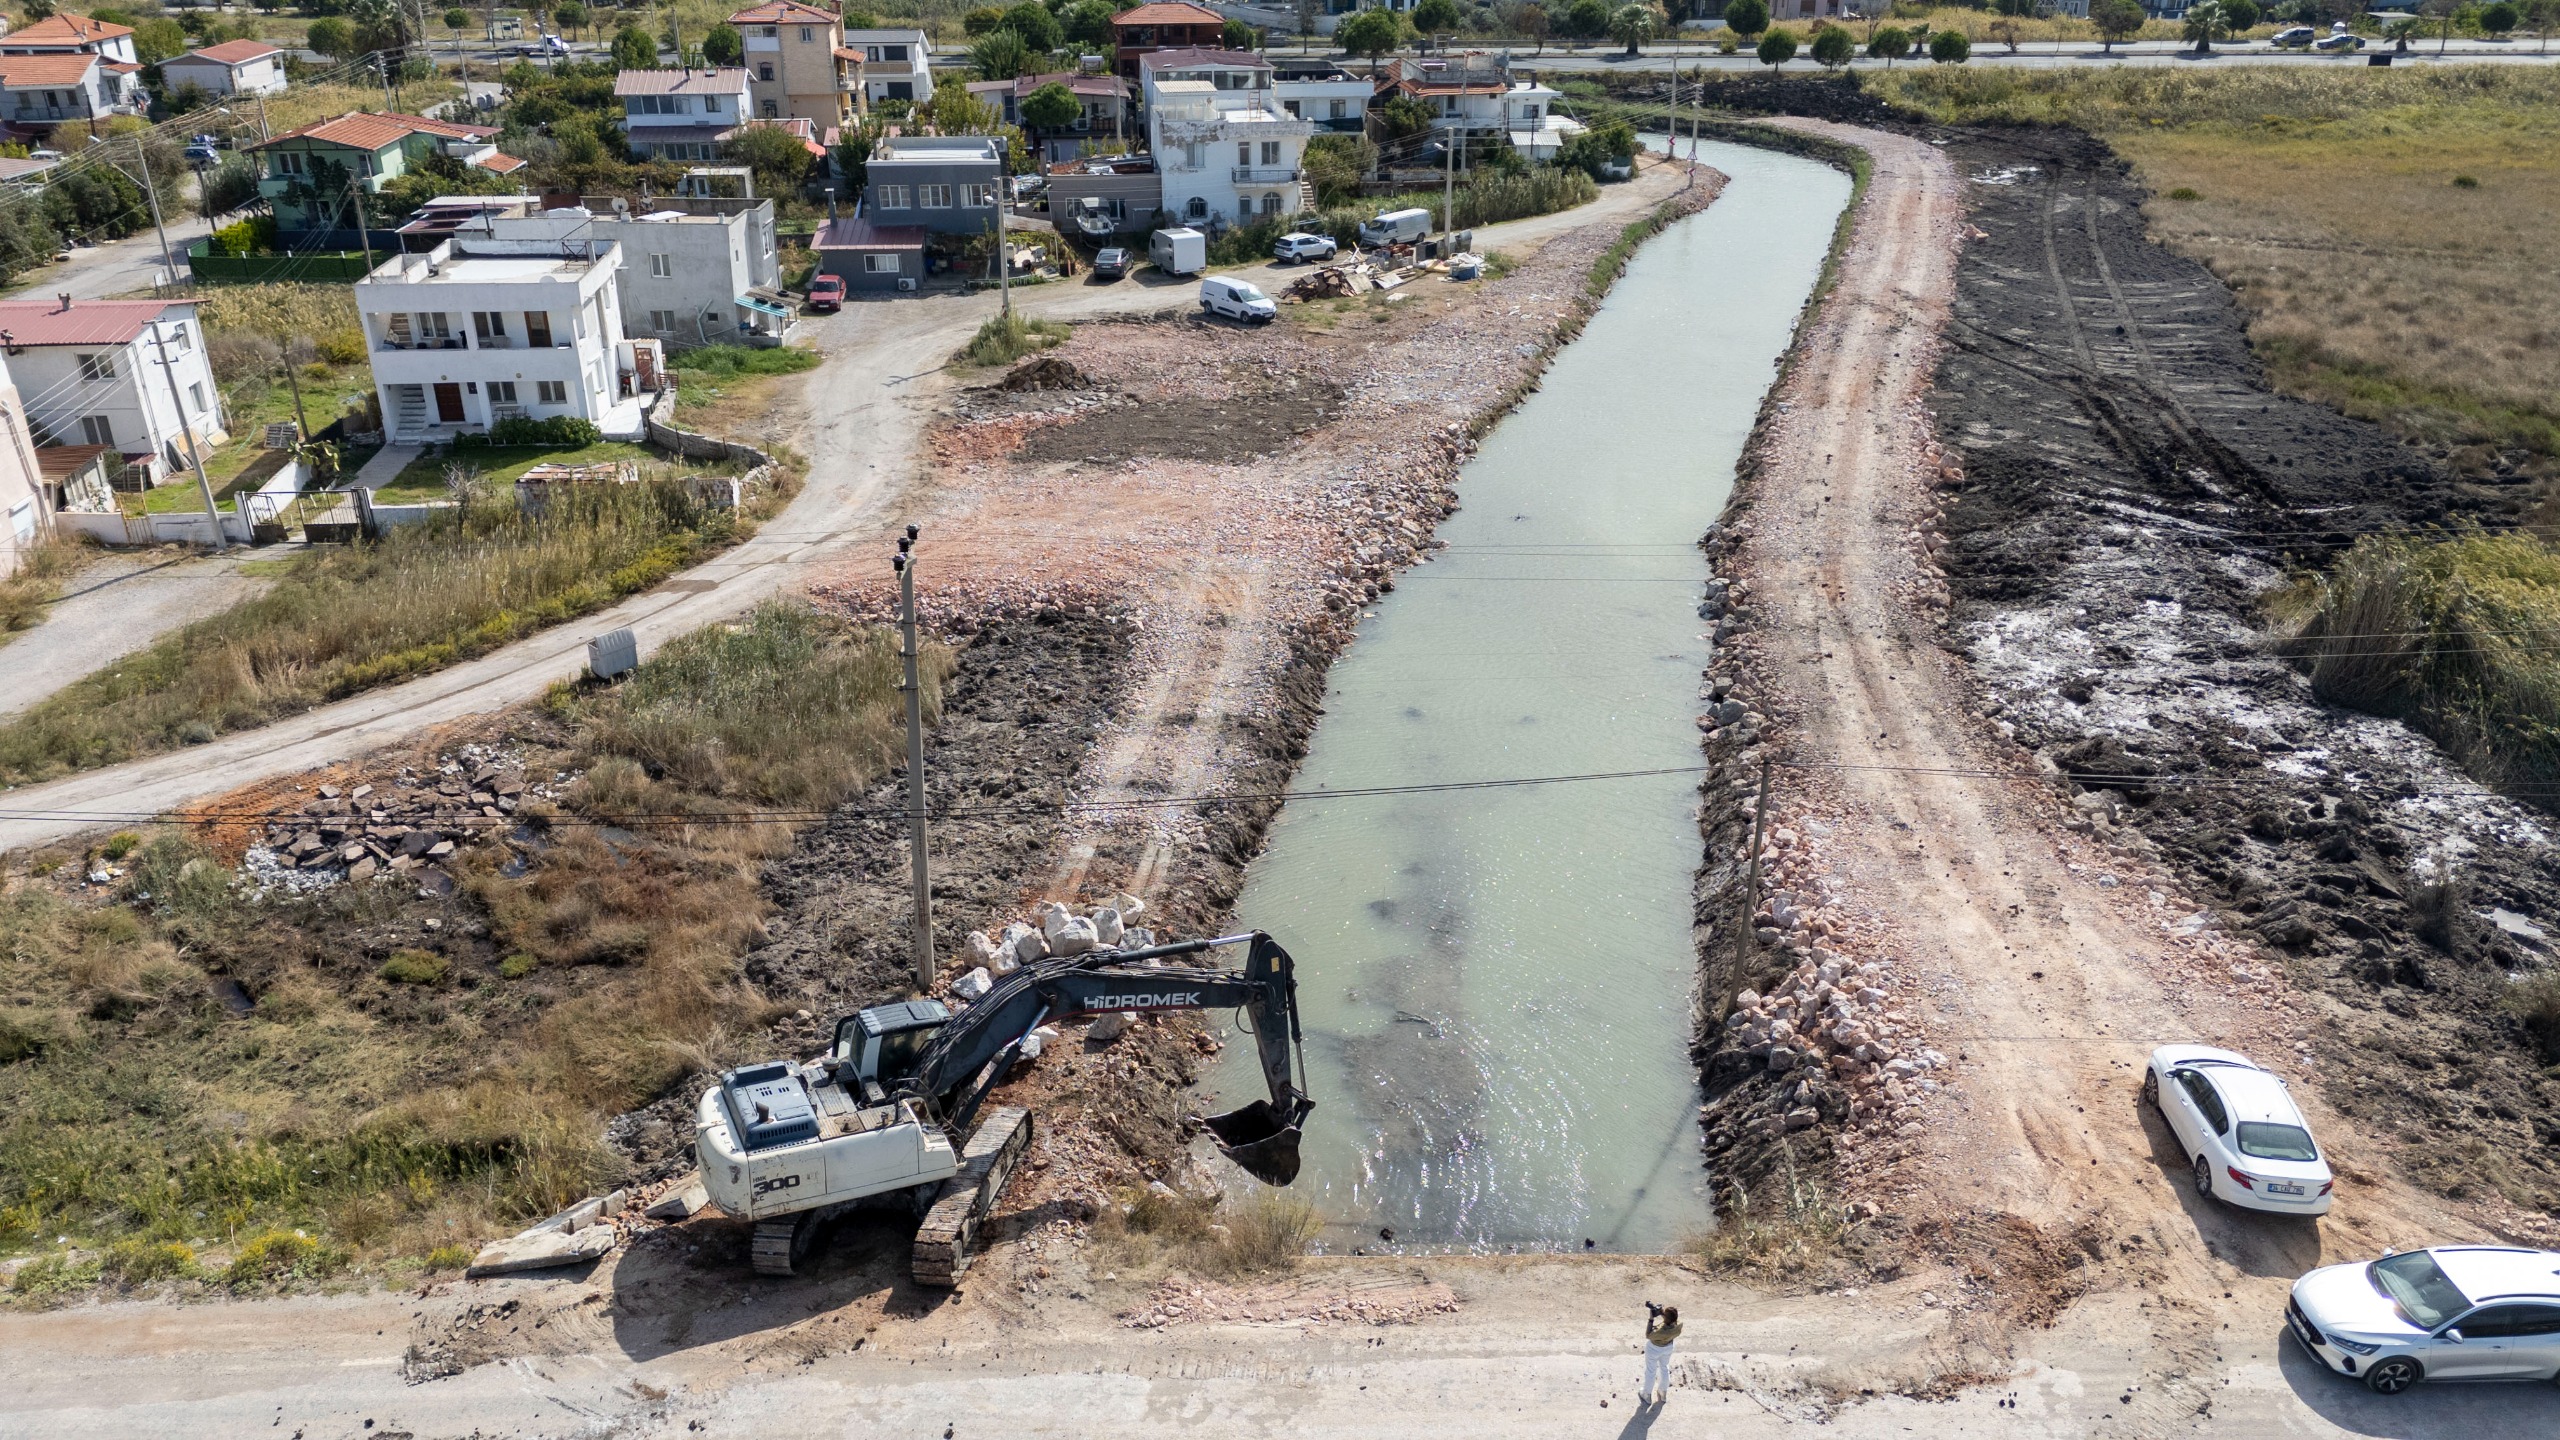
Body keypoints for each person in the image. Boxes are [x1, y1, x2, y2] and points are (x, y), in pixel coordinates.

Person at [1641, 1301, 1681, 1403]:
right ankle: (1663, 1392)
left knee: (1651, 1371)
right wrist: (1662, 1314)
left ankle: (1647, 1394)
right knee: (1664, 1368)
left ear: (1666, 1318)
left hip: (1654, 1349)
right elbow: (1671, 1321)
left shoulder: (1659, 1331)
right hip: (1668, 1347)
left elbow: (1648, 1335)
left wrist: (1651, 1319)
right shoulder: (1678, 1325)